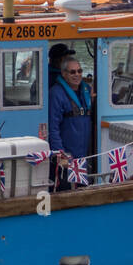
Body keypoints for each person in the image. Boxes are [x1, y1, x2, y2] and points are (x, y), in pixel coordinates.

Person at [48, 55, 94, 192]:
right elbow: (53, 127)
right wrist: (60, 154)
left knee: (82, 188)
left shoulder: (86, 90)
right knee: (65, 189)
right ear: (64, 74)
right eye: (73, 72)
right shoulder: (56, 93)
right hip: (67, 155)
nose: (77, 75)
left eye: (80, 71)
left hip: (82, 154)